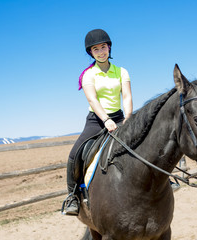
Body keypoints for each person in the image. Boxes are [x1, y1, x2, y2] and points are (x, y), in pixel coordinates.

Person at [63, 29, 133, 216]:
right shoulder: (89, 74)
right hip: (96, 120)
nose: (101, 52)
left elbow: (126, 95)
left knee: (145, 140)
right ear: (91, 53)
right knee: (75, 154)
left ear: (109, 47)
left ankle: (164, 181)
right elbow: (92, 100)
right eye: (96, 49)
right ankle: (72, 196)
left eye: (103, 47)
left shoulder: (121, 71)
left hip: (120, 117)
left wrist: (128, 117)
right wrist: (106, 119)